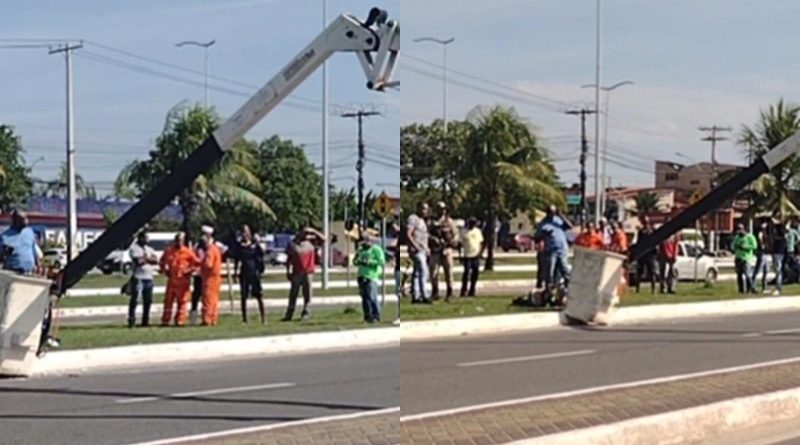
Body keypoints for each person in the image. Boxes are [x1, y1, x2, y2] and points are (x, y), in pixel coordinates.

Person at [283, 227, 322, 321]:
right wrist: (288, 271)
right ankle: (289, 313)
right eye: (304, 233)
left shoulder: (311, 242)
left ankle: (306, 313)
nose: (305, 235)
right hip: (297, 272)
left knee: (307, 293)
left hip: (308, 272)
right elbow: (289, 259)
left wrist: (314, 231)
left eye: (306, 233)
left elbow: (324, 239)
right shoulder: (293, 244)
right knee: (293, 294)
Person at [161, 232, 198, 326]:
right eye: (178, 240)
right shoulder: (169, 251)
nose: (179, 242)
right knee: (168, 301)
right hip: (172, 281)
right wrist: (165, 271)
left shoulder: (188, 252)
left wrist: (189, 271)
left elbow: (197, 263)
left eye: (181, 240)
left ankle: (180, 321)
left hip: (183, 281)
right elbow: (162, 261)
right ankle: (165, 321)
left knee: (182, 302)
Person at [232, 225, 266, 324]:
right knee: (244, 296)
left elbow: (262, 254)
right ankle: (245, 319)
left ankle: (263, 318)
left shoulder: (255, 245)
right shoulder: (240, 246)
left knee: (259, 295)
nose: (244, 234)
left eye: (246, 232)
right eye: (243, 232)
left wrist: (258, 242)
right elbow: (237, 260)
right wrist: (235, 273)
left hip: (254, 272)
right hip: (244, 272)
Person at [535, 206, 572, 295]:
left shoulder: (558, 220)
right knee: (550, 272)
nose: (552, 215)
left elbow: (569, 226)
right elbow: (536, 238)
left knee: (564, 269)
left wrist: (561, 215)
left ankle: (568, 287)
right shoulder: (543, 224)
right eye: (551, 213)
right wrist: (544, 234)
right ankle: (549, 290)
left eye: (554, 212)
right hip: (551, 250)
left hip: (562, 249)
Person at [128, 231, 158, 327]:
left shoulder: (149, 248)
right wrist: (148, 259)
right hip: (139, 277)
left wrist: (146, 258)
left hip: (149, 278)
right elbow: (138, 262)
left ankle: (145, 321)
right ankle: (132, 319)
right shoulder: (134, 248)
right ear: (141, 238)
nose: (148, 240)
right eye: (146, 238)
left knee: (148, 301)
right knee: (135, 300)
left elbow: (156, 260)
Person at [429, 202, 458, 302]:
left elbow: (455, 234)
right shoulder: (431, 222)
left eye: (443, 208)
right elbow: (427, 234)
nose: (441, 211)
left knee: (449, 272)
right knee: (434, 273)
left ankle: (450, 293)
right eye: (439, 208)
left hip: (447, 250)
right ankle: (435, 292)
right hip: (435, 250)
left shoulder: (449, 221)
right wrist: (433, 239)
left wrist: (451, 242)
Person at [353, 234, 385, 323]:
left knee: (372, 296)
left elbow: (381, 262)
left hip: (372, 276)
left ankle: (376, 315)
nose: (364, 245)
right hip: (361, 275)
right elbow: (355, 261)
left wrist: (370, 262)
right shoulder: (361, 250)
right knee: (364, 297)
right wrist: (358, 260)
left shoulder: (376, 250)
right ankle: (367, 315)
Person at [407, 202, 431, 304]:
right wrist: (415, 246)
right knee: (424, 271)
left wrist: (427, 248)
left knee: (417, 272)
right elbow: (409, 233)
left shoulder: (423, 221)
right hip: (417, 250)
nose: (425, 211)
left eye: (426, 209)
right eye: (423, 209)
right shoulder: (413, 218)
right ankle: (424, 295)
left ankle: (416, 296)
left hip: (423, 249)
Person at [0, 210, 38, 274]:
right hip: (12, 272)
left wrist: (37, 264)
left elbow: (33, 251)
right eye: (23, 219)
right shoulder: (4, 236)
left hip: (29, 272)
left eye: (26, 218)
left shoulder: (30, 232)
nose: (26, 221)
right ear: (15, 220)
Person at [200, 227, 222, 326]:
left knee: (208, 299)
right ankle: (213, 319)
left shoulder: (210, 250)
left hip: (209, 278)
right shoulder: (216, 249)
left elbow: (208, 264)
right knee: (214, 300)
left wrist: (201, 265)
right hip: (216, 278)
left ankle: (207, 319)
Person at [460, 217, 484, 297]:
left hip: (476, 255)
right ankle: (464, 290)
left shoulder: (478, 231)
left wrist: (480, 253)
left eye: (474, 223)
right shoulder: (463, 231)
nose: (472, 224)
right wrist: (461, 255)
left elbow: (481, 243)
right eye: (471, 223)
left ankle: (472, 290)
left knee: (475, 273)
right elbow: (460, 244)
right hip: (467, 255)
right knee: (466, 273)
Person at [635, 216, 658, 294]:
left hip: (651, 254)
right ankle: (637, 289)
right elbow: (639, 242)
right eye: (644, 222)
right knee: (639, 272)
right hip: (643, 254)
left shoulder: (652, 231)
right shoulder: (641, 232)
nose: (646, 223)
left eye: (646, 221)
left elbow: (656, 241)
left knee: (652, 272)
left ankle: (653, 290)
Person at [733, 223, 757, 294]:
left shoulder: (750, 237)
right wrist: (736, 246)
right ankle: (741, 289)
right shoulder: (736, 238)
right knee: (739, 274)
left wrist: (745, 247)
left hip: (746, 258)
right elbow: (732, 246)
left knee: (747, 274)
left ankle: (750, 288)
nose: (739, 232)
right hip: (738, 257)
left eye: (740, 230)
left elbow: (754, 246)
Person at [752, 220, 769, 293]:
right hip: (761, 252)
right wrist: (762, 245)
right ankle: (752, 285)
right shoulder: (760, 230)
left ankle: (764, 287)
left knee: (766, 269)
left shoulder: (762, 230)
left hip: (764, 253)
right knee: (758, 269)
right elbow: (760, 237)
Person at [771, 222, 787, 296]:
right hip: (779, 253)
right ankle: (778, 287)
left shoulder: (779, 238)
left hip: (778, 254)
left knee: (778, 271)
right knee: (778, 271)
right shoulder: (783, 237)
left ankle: (778, 288)